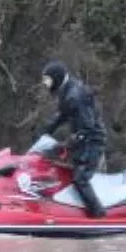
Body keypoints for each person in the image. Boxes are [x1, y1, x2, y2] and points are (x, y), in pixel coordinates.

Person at [39, 60, 107, 218]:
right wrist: (44, 132)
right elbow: (61, 116)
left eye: (48, 80)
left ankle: (99, 215)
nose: (46, 84)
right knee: (63, 172)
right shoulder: (67, 91)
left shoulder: (75, 95)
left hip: (92, 140)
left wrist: (68, 143)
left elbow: (87, 128)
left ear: (56, 78)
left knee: (80, 178)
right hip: (82, 140)